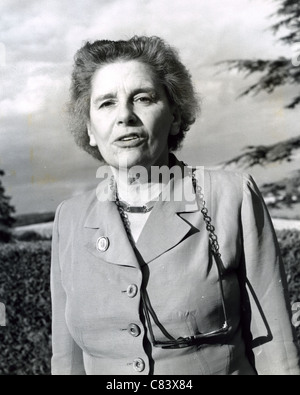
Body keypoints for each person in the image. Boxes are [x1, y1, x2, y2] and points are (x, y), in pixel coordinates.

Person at [51, 35, 300, 375]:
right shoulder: (70, 218)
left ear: (176, 117)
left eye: (143, 98)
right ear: (90, 130)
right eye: (106, 103)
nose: (125, 115)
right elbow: (67, 360)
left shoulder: (231, 196)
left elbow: (277, 351)